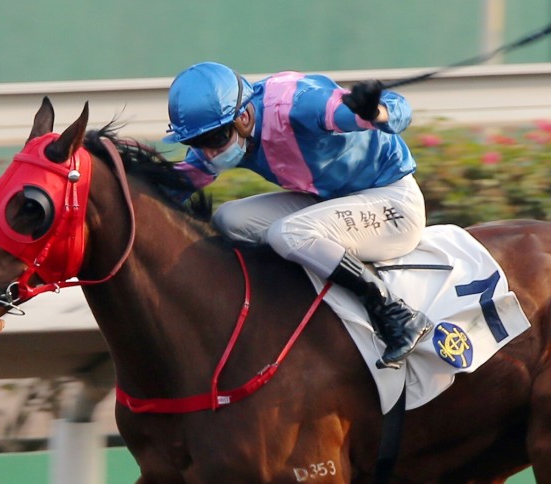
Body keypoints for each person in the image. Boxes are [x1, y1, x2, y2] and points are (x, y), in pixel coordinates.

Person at [162, 62, 432, 369]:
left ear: (244, 116)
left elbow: (399, 108)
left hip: (392, 204)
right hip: (325, 202)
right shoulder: (226, 133)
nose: (206, 153)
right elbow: (173, 187)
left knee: (287, 233)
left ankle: (396, 313)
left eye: (213, 139)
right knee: (228, 219)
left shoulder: (298, 105)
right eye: (195, 143)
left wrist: (375, 113)